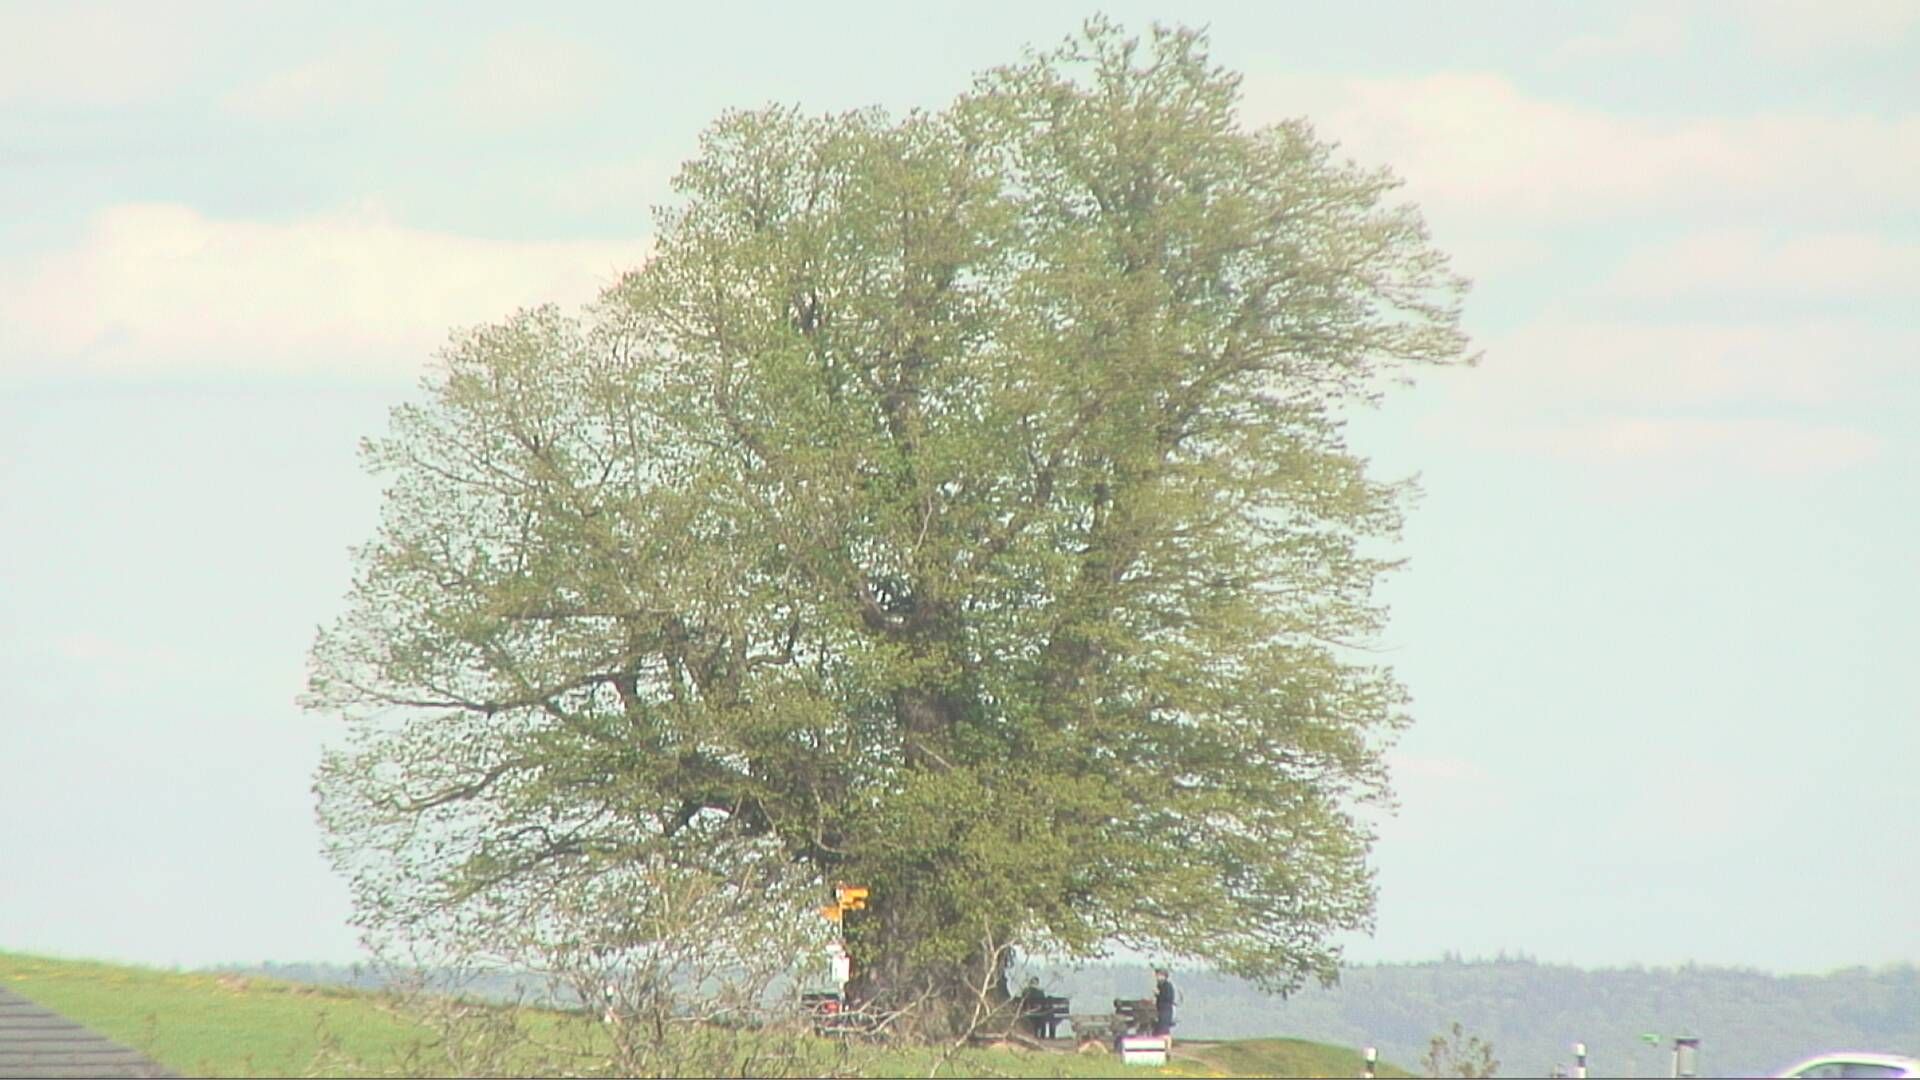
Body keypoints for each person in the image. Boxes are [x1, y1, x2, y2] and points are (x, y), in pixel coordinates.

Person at [1152, 967, 1176, 1038]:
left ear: (1164, 976)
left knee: (1164, 1031)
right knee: (1158, 1031)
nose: (1157, 977)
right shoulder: (1160, 985)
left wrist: (1158, 994)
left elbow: (1167, 998)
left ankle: (1166, 1047)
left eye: (1158, 975)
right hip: (1161, 1010)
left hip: (1166, 1010)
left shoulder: (1167, 986)